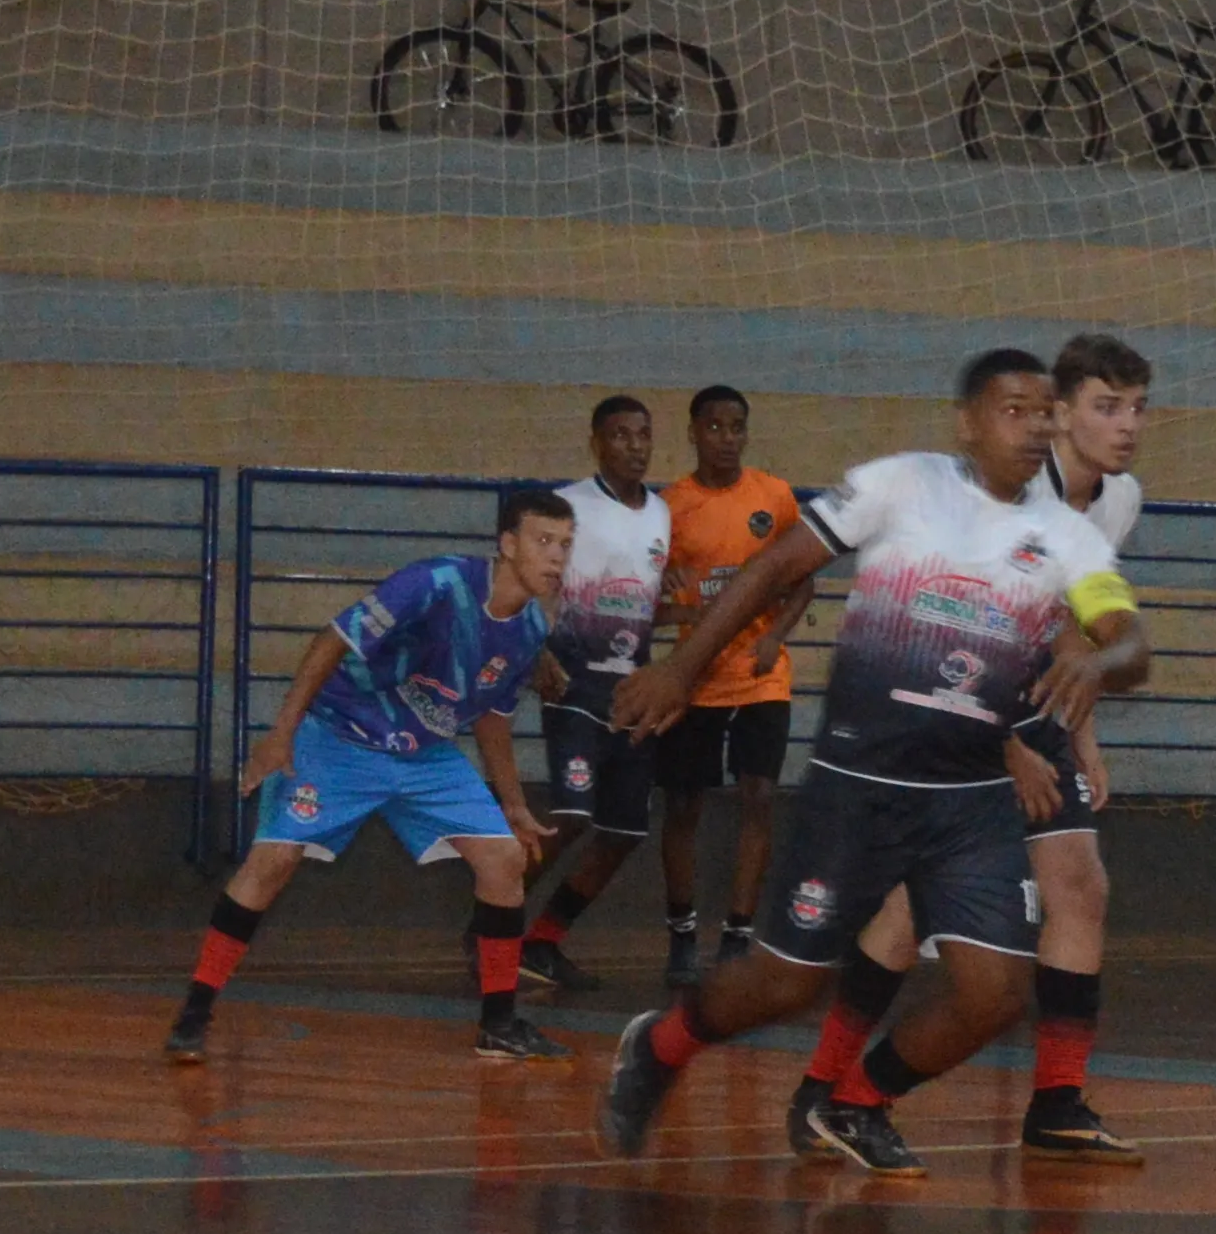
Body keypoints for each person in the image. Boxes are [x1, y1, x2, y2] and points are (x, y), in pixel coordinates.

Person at [599, 353, 1149, 1178]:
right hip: (862, 785)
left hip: (970, 801)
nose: (1034, 426)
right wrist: (683, 669)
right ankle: (664, 1043)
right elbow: (777, 566)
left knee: (995, 996)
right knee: (786, 983)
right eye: (1014, 410)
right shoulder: (901, 484)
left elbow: (1130, 643)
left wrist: (1103, 666)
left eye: (1044, 413)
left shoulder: (1067, 536)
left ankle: (856, 1101)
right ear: (967, 421)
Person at [816, 332, 1155, 1160]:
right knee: (908, 914)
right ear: (1058, 414)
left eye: (1139, 408)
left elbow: (1078, 633)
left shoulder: (1117, 500)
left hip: (1028, 715)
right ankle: (832, 1090)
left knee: (1078, 891)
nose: (1127, 426)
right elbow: (944, 634)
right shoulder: (997, 498)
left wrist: (1081, 739)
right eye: (1106, 407)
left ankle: (1056, 1103)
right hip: (943, 714)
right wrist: (1004, 747)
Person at [167, 489, 573, 1066]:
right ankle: (194, 1011)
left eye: (564, 545)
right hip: (340, 737)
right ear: (507, 545)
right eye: (543, 541)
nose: (556, 557)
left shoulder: (530, 628)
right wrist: (282, 733)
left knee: (504, 859)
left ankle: (499, 1025)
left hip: (424, 755)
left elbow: (491, 716)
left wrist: (510, 802)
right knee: (272, 862)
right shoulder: (433, 584)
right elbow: (332, 640)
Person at [515, 396, 676, 999]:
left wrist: (683, 611)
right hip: (574, 680)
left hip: (632, 685)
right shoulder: (569, 507)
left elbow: (642, 602)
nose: (634, 446)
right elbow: (531, 581)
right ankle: (491, 927)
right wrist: (536, 649)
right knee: (574, 814)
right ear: (597, 442)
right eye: (620, 435)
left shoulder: (661, 513)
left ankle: (545, 941)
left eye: (643, 434)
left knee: (625, 830)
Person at [655, 382, 807, 987]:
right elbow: (651, 592)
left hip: (761, 676)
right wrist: (668, 603)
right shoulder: (669, 508)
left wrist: (774, 638)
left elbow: (802, 581)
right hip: (696, 678)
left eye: (736, 426)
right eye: (714, 427)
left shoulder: (774, 497)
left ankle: (739, 934)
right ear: (692, 432)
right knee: (684, 803)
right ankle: (683, 931)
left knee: (760, 796)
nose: (726, 438)